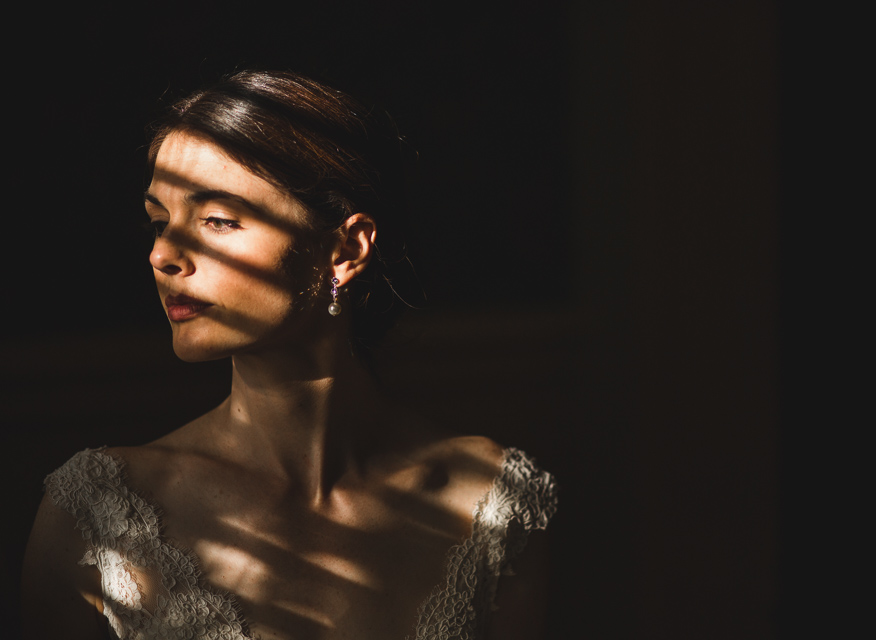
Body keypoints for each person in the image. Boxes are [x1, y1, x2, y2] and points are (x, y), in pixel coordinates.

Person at [21, 70, 557, 640]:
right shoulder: (98, 514)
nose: (163, 254)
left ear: (345, 249)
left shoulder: (489, 504)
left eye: (218, 220)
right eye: (159, 221)